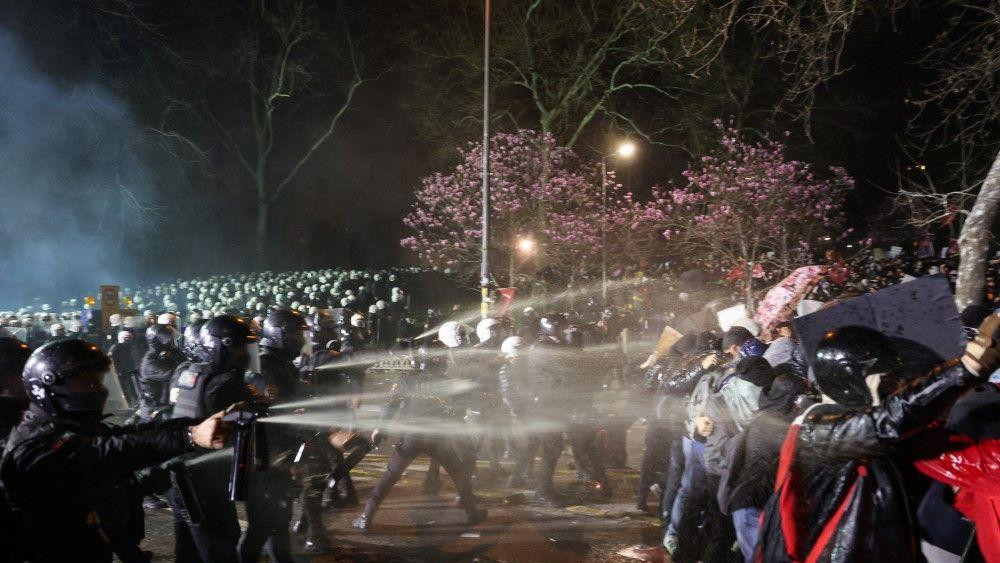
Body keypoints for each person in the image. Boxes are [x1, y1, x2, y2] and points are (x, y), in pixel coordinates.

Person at [757, 320, 1000, 563]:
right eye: (885, 381)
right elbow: (887, 422)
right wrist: (966, 368)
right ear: (851, 379)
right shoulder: (817, 431)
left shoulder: (866, 436)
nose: (895, 388)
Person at [0, 338, 230, 563]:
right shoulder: (33, 443)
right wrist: (189, 437)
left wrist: (195, 425)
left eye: (98, 381)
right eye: (85, 383)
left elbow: (126, 434)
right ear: (49, 386)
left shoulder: (66, 426)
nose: (98, 390)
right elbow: (109, 451)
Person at [352, 347, 487, 531]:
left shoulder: (406, 380)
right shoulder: (447, 383)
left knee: (390, 476)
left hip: (411, 437)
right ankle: (472, 513)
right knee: (459, 472)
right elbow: (455, 413)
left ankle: (366, 517)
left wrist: (380, 428)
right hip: (438, 438)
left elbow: (390, 406)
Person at [167, 315, 257, 563]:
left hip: (182, 475)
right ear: (221, 347)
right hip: (206, 481)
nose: (244, 353)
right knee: (221, 545)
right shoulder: (227, 383)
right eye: (239, 347)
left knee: (187, 550)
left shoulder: (192, 373)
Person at [239, 309, 305, 563]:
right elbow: (265, 417)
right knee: (263, 523)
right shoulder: (266, 366)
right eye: (297, 333)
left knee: (279, 519)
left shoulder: (280, 363)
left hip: (278, 456)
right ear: (280, 334)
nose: (301, 339)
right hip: (265, 459)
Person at [139, 324, 185, 421]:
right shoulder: (150, 361)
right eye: (169, 339)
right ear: (158, 342)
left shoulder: (170, 353)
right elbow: (175, 374)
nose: (172, 341)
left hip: (167, 407)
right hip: (154, 412)